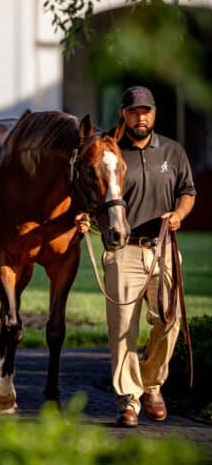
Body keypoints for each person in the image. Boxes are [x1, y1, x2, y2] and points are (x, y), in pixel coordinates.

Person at [75, 85, 196, 427]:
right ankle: (128, 400)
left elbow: (187, 192)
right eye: (133, 112)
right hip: (123, 252)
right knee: (122, 330)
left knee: (169, 321)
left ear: (154, 114)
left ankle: (152, 383)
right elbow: (96, 192)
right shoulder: (112, 150)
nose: (140, 117)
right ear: (123, 115)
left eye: (146, 111)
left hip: (163, 248)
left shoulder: (173, 151)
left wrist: (178, 216)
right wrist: (85, 217)